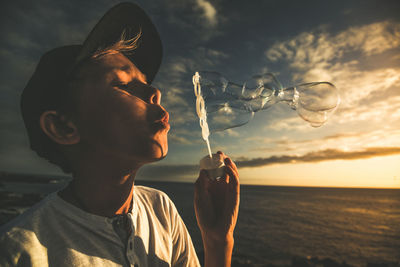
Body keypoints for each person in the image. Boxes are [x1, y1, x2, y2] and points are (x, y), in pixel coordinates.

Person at [0, 2, 240, 267]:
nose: (155, 92)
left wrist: (218, 242)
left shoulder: (161, 208)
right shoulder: (18, 251)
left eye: (147, 84)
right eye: (123, 84)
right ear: (63, 127)